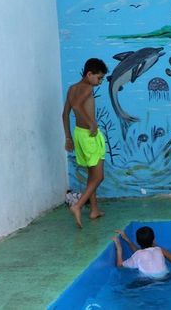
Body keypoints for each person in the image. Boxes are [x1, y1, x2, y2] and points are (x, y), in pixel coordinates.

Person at [62, 58, 108, 228]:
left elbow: (65, 114)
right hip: (89, 136)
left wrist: (68, 137)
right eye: (99, 78)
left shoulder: (72, 88)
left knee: (91, 175)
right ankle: (78, 205)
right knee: (99, 176)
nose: (100, 81)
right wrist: (92, 123)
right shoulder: (87, 88)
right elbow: (77, 106)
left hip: (79, 134)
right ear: (89, 74)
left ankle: (94, 209)